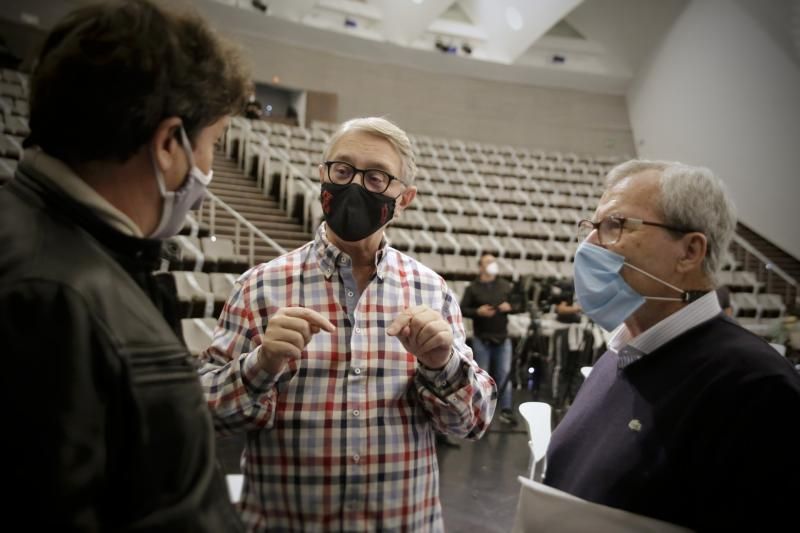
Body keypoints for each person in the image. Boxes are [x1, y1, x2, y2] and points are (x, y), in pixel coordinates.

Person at [0, 1, 250, 529]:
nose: (208, 169)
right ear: (167, 144)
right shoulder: (55, 301)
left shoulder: (41, 245)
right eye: (213, 144)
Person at [199, 117, 497, 531]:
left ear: (405, 198)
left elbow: (472, 423)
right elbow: (204, 413)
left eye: (376, 178)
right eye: (342, 171)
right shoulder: (259, 286)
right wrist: (260, 365)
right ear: (323, 175)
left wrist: (441, 364)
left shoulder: (432, 291)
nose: (354, 185)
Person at [544, 160, 800, 531]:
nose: (590, 245)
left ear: (690, 251)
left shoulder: (757, 387)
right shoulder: (619, 355)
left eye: (615, 225)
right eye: (593, 226)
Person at [460, 253, 522, 425]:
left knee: (504, 375)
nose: (492, 264)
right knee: (482, 377)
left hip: (502, 337)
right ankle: (481, 411)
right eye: (488, 262)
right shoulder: (472, 288)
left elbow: (518, 305)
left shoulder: (505, 286)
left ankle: (507, 410)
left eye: (493, 262)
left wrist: (510, 307)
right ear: (481, 266)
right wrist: (477, 312)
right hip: (482, 338)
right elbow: (463, 309)